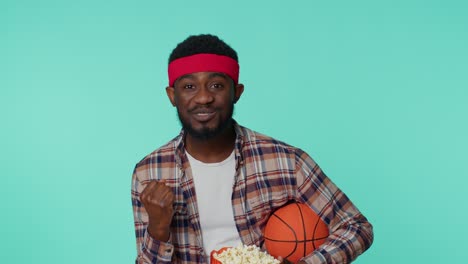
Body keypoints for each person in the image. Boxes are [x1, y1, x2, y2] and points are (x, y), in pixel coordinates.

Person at [131, 34, 373, 264]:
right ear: (172, 96)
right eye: (189, 87)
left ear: (237, 92)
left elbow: (357, 227)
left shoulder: (286, 161)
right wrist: (158, 229)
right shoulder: (149, 172)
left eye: (216, 85)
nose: (204, 97)